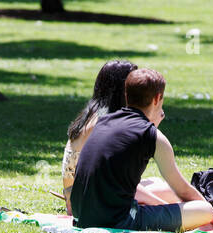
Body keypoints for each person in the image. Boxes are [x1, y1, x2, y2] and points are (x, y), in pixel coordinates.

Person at [71, 68, 213, 233]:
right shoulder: (152, 136)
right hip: (117, 220)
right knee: (204, 210)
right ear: (158, 98)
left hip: (82, 216)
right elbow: (182, 190)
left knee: (164, 191)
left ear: (127, 95)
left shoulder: (103, 122)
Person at [62, 60, 175, 216]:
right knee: (169, 192)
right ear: (122, 90)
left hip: (83, 194)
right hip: (89, 199)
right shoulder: (103, 122)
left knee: (158, 182)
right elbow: (118, 175)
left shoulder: (94, 115)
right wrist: (164, 205)